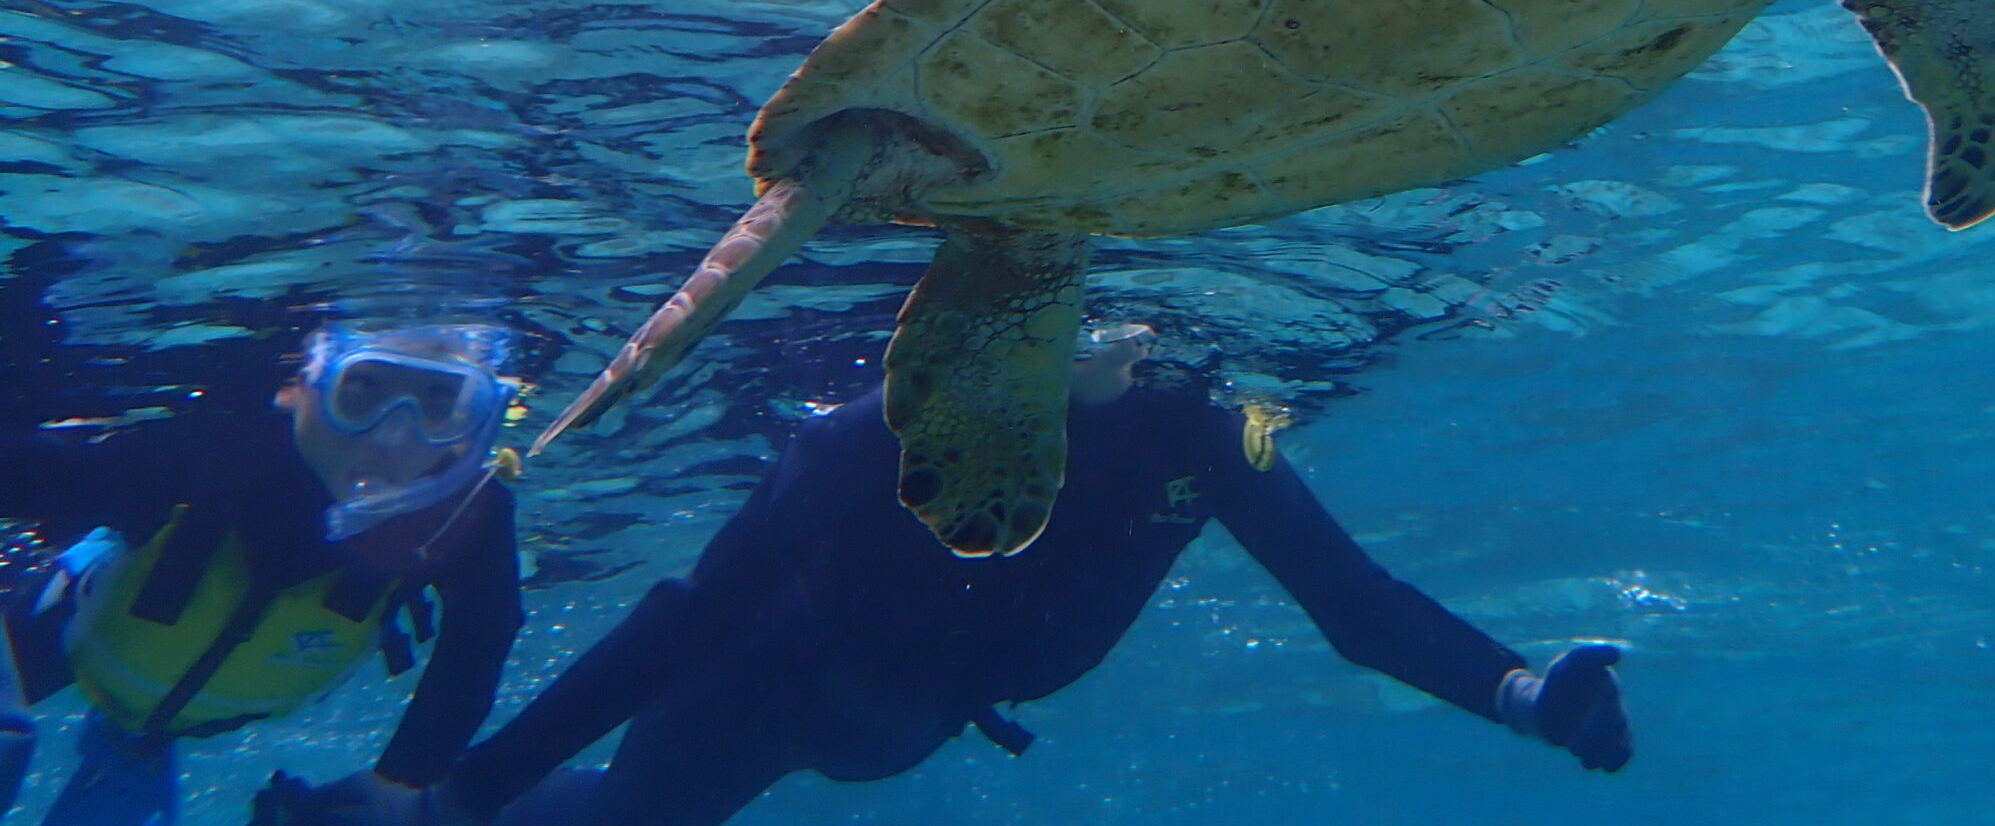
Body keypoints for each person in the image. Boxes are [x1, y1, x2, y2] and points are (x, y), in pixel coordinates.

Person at [265, 324, 1631, 826]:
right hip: (752, 689)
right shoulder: (889, 422)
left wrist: (1525, 696)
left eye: (1138, 334)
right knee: (631, 815)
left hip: (904, 725)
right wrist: (473, 786)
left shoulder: (1210, 430)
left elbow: (1357, 605)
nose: (1115, 350)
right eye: (1081, 320)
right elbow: (688, 619)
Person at [0, 326, 524, 826]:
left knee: (129, 748)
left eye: (439, 402)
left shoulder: (464, 517)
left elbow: (480, 641)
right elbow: (33, 474)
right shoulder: (203, 454)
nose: (394, 435)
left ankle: (126, 753)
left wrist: (403, 784)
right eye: (363, 388)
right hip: (67, 634)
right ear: (297, 388)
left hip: (199, 705)